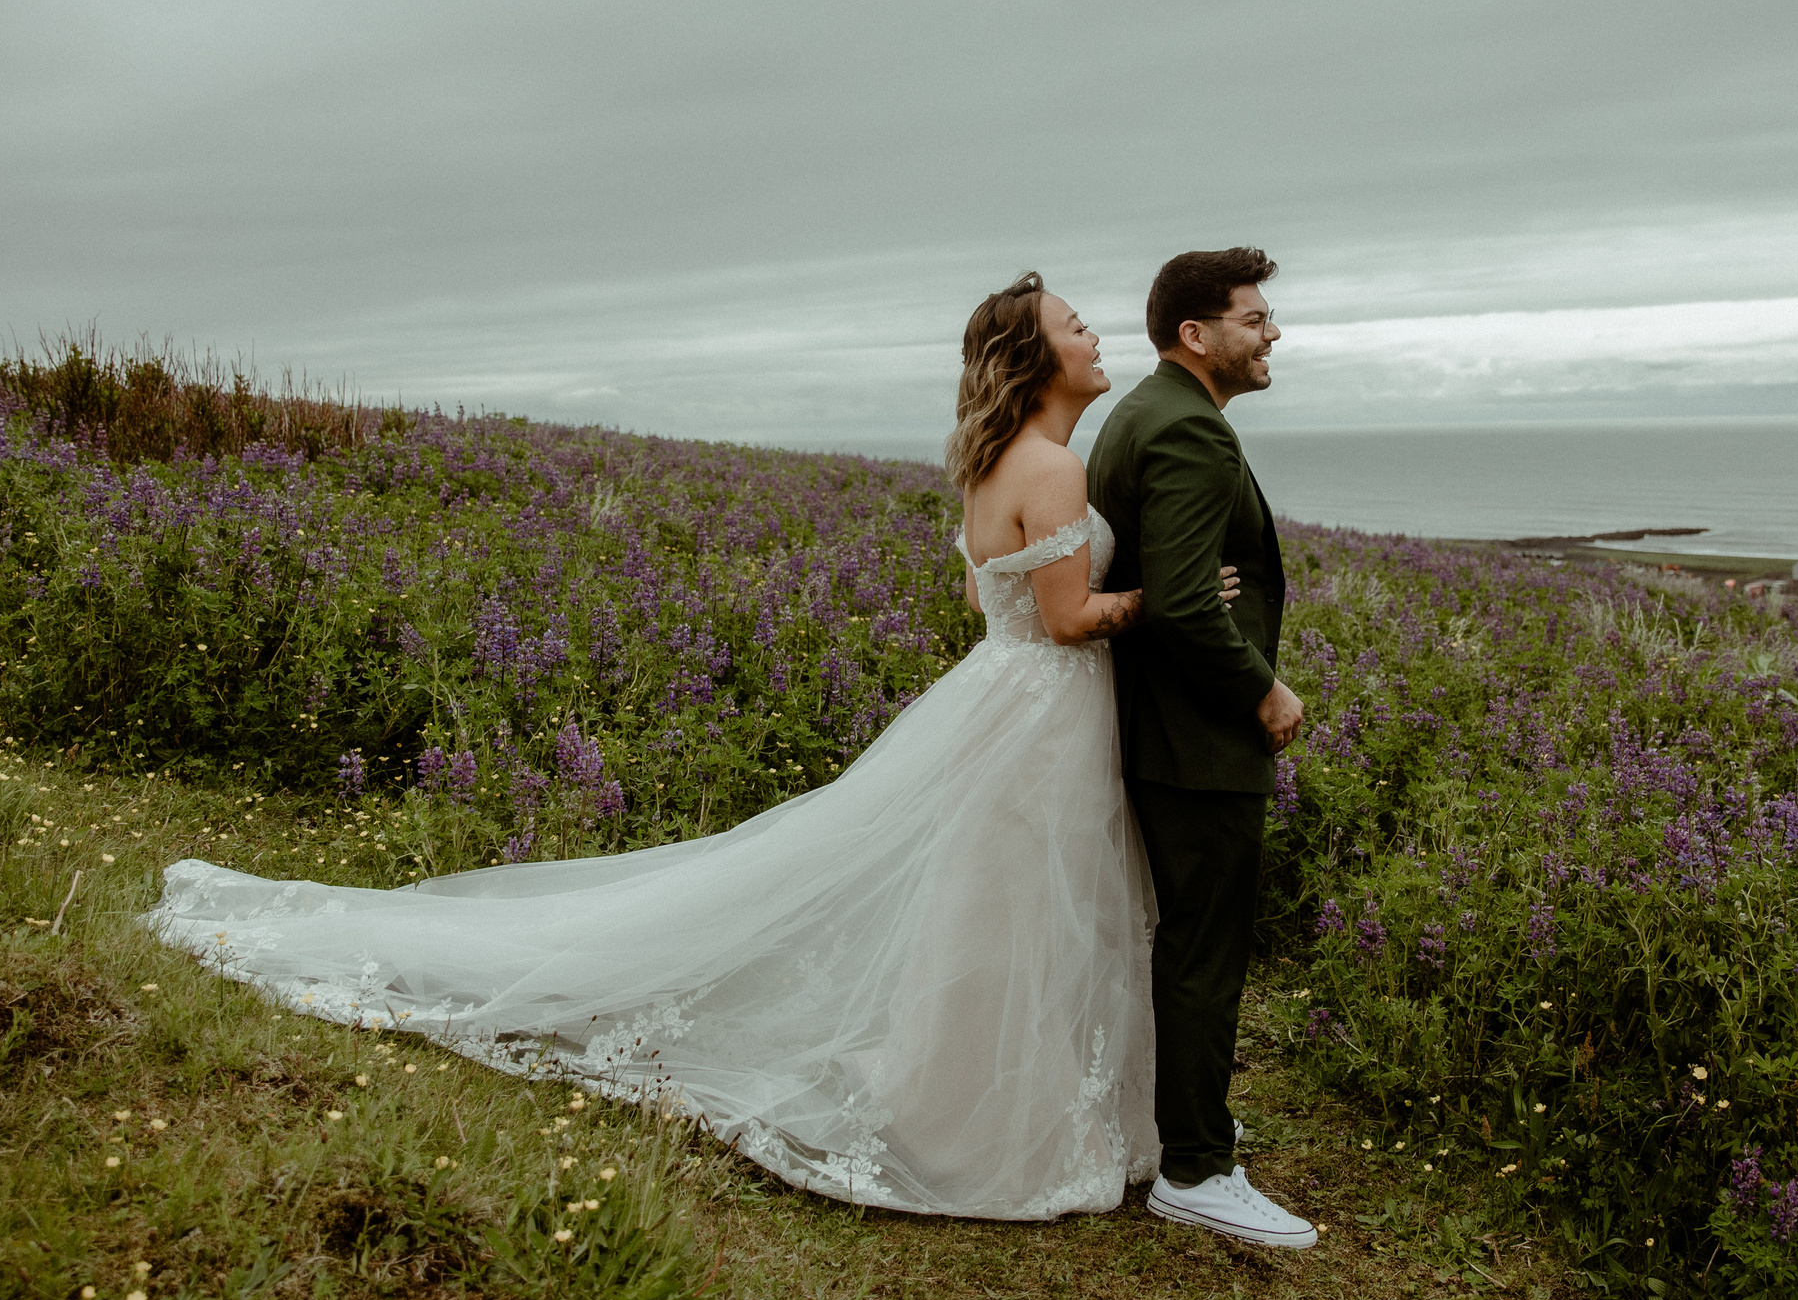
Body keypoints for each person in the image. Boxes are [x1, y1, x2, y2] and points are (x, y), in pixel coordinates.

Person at [145, 272, 1230, 1222]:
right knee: (1022, 905)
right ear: (1032, 358)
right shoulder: (1051, 470)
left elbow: (989, 603)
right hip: (1037, 708)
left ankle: (969, 1100)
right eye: (1077, 326)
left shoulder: (996, 461)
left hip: (1006, 700)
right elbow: (1065, 619)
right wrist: (1165, 600)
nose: (1095, 340)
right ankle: (983, 1123)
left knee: (997, 905)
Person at [1088, 246, 1318, 1249]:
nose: (1272, 334)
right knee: (1202, 948)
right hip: (1195, 734)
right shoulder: (1187, 432)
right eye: (1255, 318)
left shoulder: (1146, 413)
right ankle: (1195, 1169)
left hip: (1157, 722)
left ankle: (1188, 1126)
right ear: (1197, 334)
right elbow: (1183, 601)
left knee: (1178, 940)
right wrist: (1262, 689)